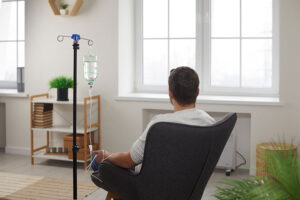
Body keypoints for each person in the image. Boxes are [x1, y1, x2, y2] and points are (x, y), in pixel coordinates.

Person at [92, 66, 216, 173]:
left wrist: (106, 155)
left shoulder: (160, 125)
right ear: (197, 92)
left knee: (98, 163)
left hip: (151, 188)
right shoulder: (209, 122)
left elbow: (129, 161)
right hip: (189, 188)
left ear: (170, 93)